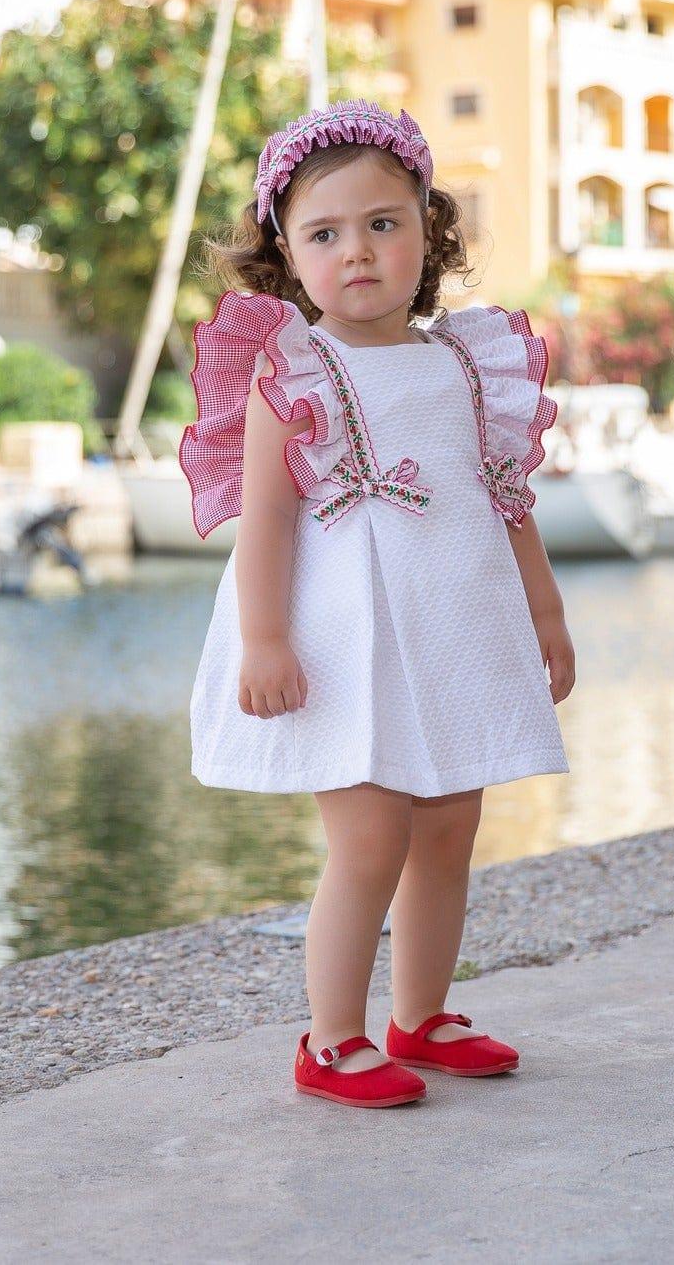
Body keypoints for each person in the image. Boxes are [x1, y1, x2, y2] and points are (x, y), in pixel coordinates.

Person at [179, 100, 573, 1109]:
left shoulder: (462, 363)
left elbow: (503, 498)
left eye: (382, 224)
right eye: (324, 234)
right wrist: (262, 640)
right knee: (369, 838)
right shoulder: (294, 368)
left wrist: (544, 617)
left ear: (427, 232)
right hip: (344, 640)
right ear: (286, 255)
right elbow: (264, 520)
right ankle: (331, 1038)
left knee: (449, 828)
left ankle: (421, 1015)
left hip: (450, 625)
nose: (356, 251)